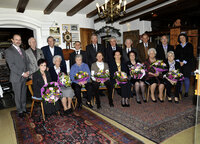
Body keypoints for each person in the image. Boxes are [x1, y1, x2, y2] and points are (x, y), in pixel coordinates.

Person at [5, 34, 29, 118]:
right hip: (16, 77)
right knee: (18, 95)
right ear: (12, 40)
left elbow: (26, 62)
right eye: (16, 39)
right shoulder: (8, 51)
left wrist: (27, 71)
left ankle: (24, 108)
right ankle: (20, 111)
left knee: (23, 94)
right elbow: (11, 66)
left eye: (19, 39)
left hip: (24, 76)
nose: (18, 41)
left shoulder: (22, 50)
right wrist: (22, 73)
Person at [175, 33, 195, 97]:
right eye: (180, 38)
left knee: (186, 78)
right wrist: (179, 61)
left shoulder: (190, 45)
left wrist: (183, 62)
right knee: (180, 78)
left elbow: (190, 55)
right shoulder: (178, 46)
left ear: (186, 38)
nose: (182, 39)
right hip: (179, 64)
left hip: (187, 64)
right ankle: (180, 91)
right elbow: (176, 55)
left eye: (183, 37)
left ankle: (186, 92)